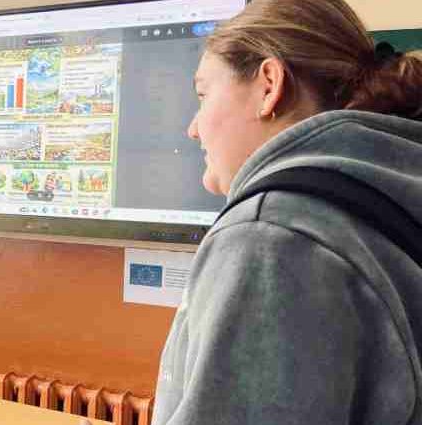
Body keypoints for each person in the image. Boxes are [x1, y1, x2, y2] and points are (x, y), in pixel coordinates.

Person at [153, 0, 422, 424]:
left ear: (269, 85)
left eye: (203, 95)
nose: (193, 127)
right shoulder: (391, 189)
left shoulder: (271, 236)